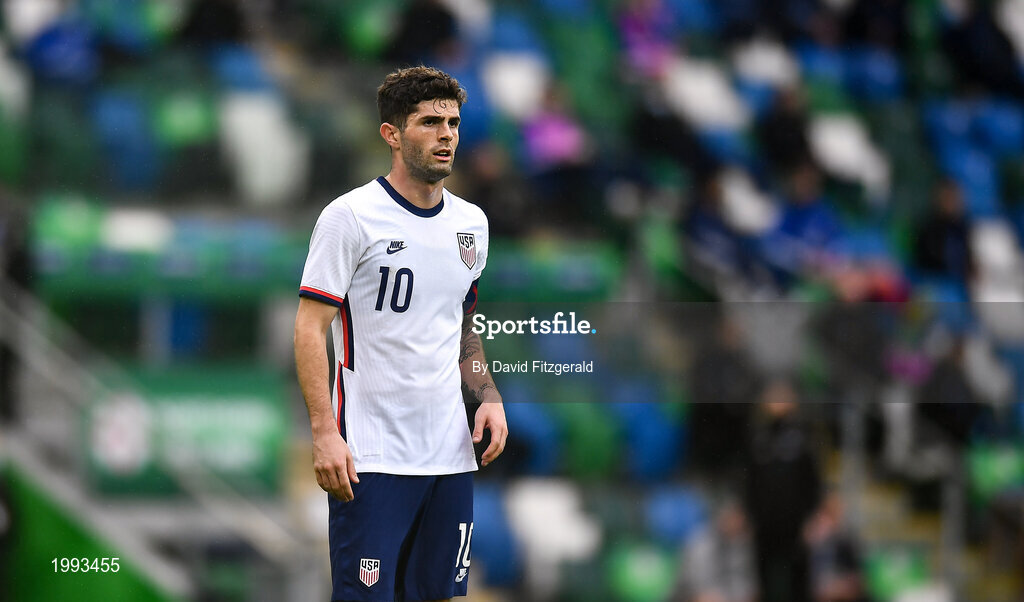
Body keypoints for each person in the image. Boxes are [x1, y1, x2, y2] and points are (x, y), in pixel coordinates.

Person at [293, 66, 508, 602]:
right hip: (371, 458)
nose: (446, 135)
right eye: (430, 122)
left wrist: (486, 394)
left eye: (454, 123)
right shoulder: (350, 217)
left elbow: (462, 326)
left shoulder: (472, 225)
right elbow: (309, 328)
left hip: (449, 457)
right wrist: (323, 433)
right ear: (391, 134)